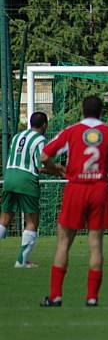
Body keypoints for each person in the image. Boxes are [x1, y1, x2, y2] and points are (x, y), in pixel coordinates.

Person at [39, 95, 108, 307]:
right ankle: (92, 297)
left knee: (63, 243)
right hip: (99, 189)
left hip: (76, 188)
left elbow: (43, 156)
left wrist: (56, 168)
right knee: (95, 245)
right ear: (102, 112)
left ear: (82, 111)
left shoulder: (71, 131)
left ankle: (56, 296)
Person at [0, 112, 65, 268]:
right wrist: (60, 171)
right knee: (32, 221)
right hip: (26, 180)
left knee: (4, 219)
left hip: (9, 177)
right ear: (44, 125)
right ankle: (21, 261)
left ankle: (22, 260)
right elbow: (41, 166)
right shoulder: (41, 140)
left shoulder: (17, 136)